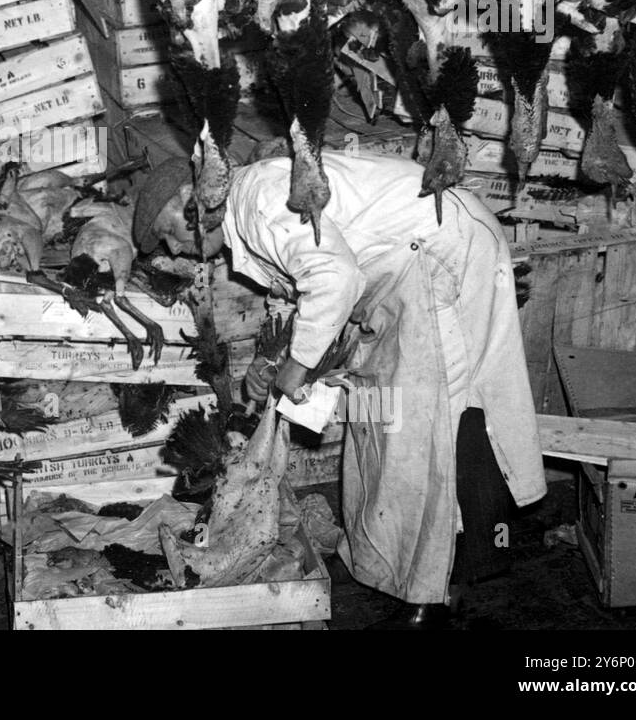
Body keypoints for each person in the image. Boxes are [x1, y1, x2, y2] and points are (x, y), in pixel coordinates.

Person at [133, 148, 547, 627]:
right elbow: (308, 282)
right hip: (405, 271)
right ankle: (412, 573)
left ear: (191, 197)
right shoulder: (248, 209)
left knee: (420, 431)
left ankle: (432, 597)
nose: (172, 248)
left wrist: (299, 366)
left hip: (440, 257)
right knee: (383, 423)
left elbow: (336, 277)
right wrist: (276, 360)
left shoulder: (260, 198)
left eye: (168, 232)